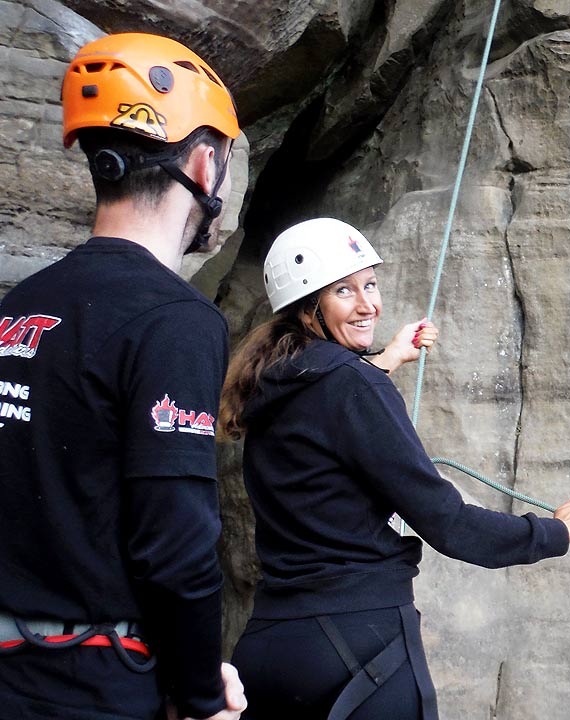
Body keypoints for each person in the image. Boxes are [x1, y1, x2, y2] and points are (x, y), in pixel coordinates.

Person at [220, 217, 570, 720]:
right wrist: (558, 532)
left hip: (272, 647)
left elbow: (329, 415)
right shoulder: (355, 389)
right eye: (344, 291)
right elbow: (450, 525)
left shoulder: (273, 383)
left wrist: (387, 357)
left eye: (370, 284)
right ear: (307, 306)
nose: (369, 304)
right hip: (359, 646)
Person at [0, 33, 247, 720]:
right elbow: (177, 545)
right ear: (204, 162)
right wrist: (199, 692)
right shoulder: (174, 320)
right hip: (92, 687)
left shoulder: (19, 307)